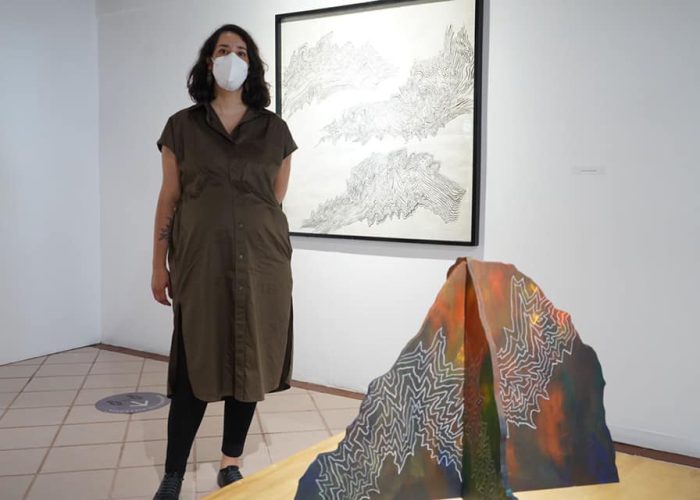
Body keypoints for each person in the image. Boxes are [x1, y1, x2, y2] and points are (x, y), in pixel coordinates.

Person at [150, 24, 297, 499]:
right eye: (222, 50)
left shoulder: (275, 131)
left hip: (262, 265)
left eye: (241, 52)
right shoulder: (181, 127)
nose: (231, 58)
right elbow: (169, 198)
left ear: (251, 65)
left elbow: (274, 199)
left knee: (248, 365)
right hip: (201, 264)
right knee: (194, 367)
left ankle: (230, 462)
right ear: (208, 61)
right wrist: (158, 263)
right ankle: (174, 472)